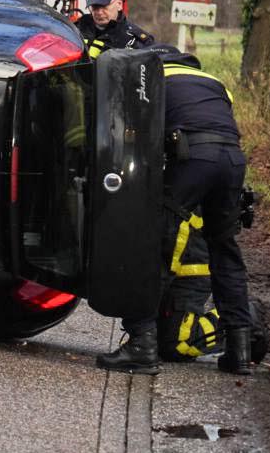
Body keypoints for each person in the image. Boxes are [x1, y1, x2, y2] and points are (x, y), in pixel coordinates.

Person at [99, 46, 255, 376]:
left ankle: (142, 343)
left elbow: (137, 136)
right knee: (224, 249)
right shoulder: (214, 82)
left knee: (152, 244)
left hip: (194, 158)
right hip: (233, 159)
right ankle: (240, 349)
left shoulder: (153, 77)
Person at [73, 0, 153, 58]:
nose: (99, 12)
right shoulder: (75, 30)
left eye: (104, 6)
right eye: (95, 7)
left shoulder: (137, 40)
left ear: (119, 4)